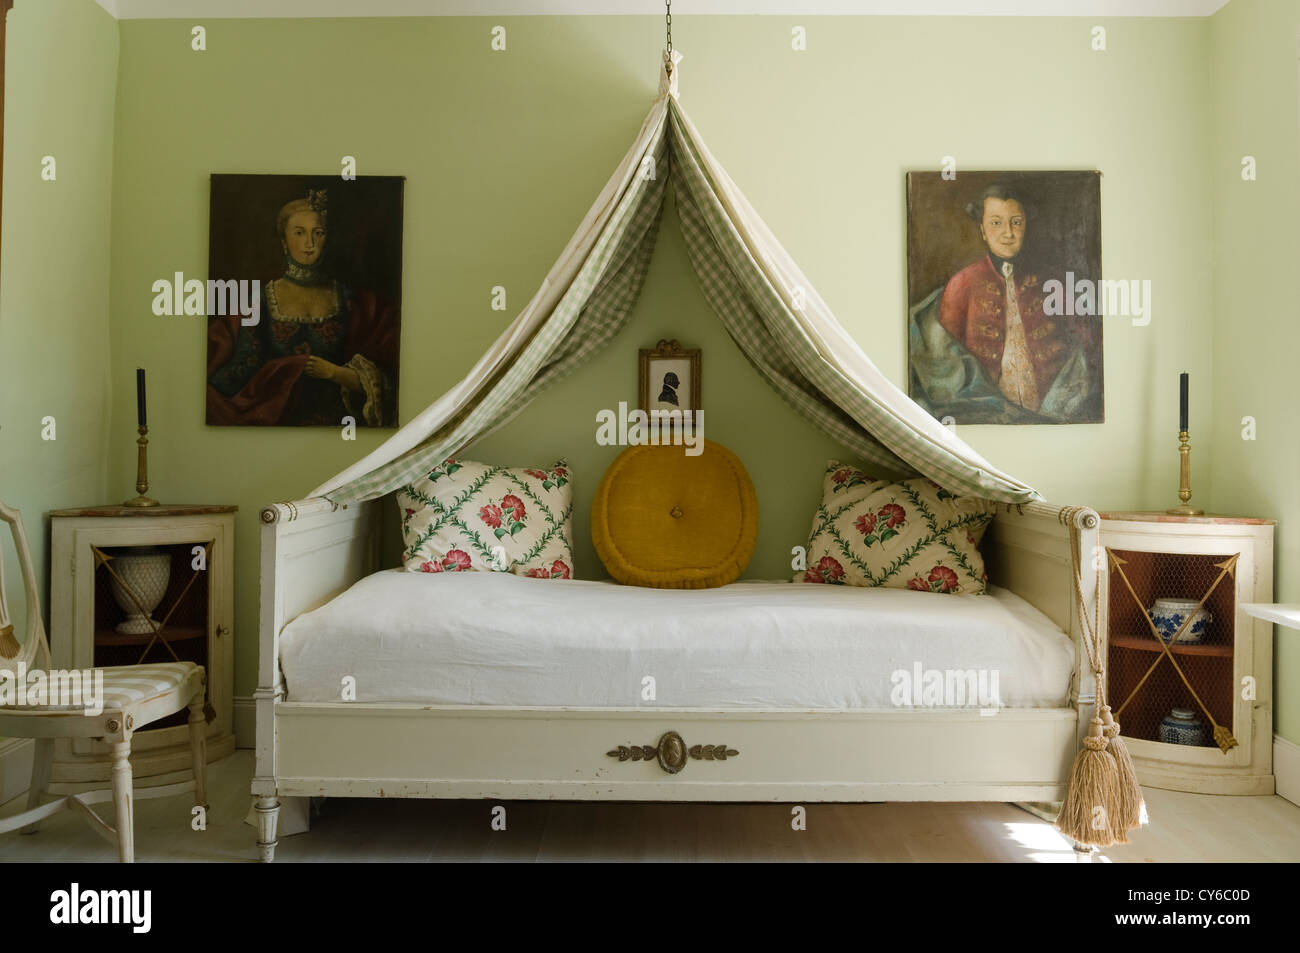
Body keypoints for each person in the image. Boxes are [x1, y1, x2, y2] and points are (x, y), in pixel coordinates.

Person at [909, 184, 1100, 424]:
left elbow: (1085, 342)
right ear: (983, 230)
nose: (1007, 233)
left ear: (1026, 226)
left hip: (1053, 410)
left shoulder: (1055, 281)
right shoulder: (961, 284)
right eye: (996, 223)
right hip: (990, 413)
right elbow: (948, 356)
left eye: (1016, 222)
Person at [207, 189, 399, 426]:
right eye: (299, 233)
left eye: (318, 233)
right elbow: (243, 371)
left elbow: (388, 379)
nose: (309, 243)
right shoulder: (259, 301)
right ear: (284, 241)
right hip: (274, 423)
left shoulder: (354, 301)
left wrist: (335, 373)